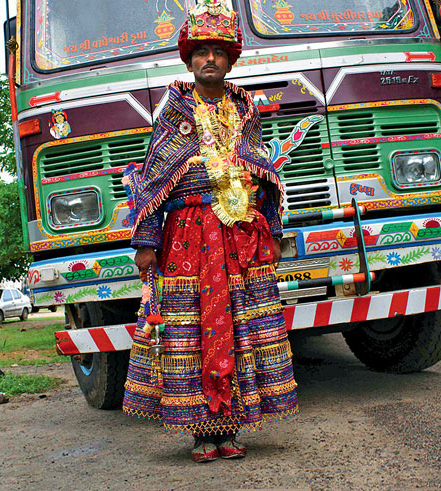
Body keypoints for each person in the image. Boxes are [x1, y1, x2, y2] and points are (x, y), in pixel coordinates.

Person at [122, 0, 298, 463]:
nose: (210, 60)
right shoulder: (173, 110)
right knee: (191, 330)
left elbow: (262, 173)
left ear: (230, 59)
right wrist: (146, 242)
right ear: (189, 58)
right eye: (201, 51)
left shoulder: (245, 110)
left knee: (242, 326)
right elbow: (154, 176)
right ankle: (202, 433)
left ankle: (232, 427)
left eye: (219, 52)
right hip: (187, 239)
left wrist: (273, 231)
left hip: (239, 238)